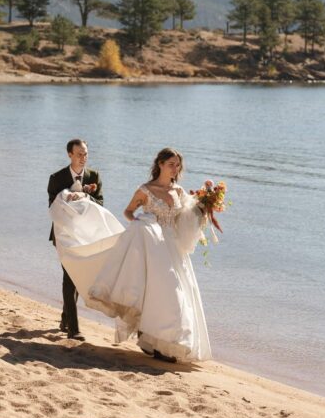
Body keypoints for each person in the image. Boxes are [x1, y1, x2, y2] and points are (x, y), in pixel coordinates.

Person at [49, 148, 212, 363]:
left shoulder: (179, 192)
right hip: (151, 245)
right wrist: (141, 225)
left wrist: (203, 207)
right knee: (161, 292)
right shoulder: (145, 190)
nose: (175, 168)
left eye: (178, 165)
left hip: (172, 248)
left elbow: (182, 220)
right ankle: (158, 344)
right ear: (160, 164)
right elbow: (128, 212)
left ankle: (160, 343)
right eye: (171, 164)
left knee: (172, 292)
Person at [46, 139, 103, 342]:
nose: (83, 158)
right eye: (79, 154)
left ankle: (65, 319)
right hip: (63, 235)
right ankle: (73, 328)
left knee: (78, 278)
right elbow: (52, 208)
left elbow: (101, 203)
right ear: (69, 154)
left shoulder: (94, 176)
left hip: (85, 235)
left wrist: (86, 197)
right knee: (70, 277)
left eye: (85, 153)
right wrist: (67, 198)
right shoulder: (56, 178)